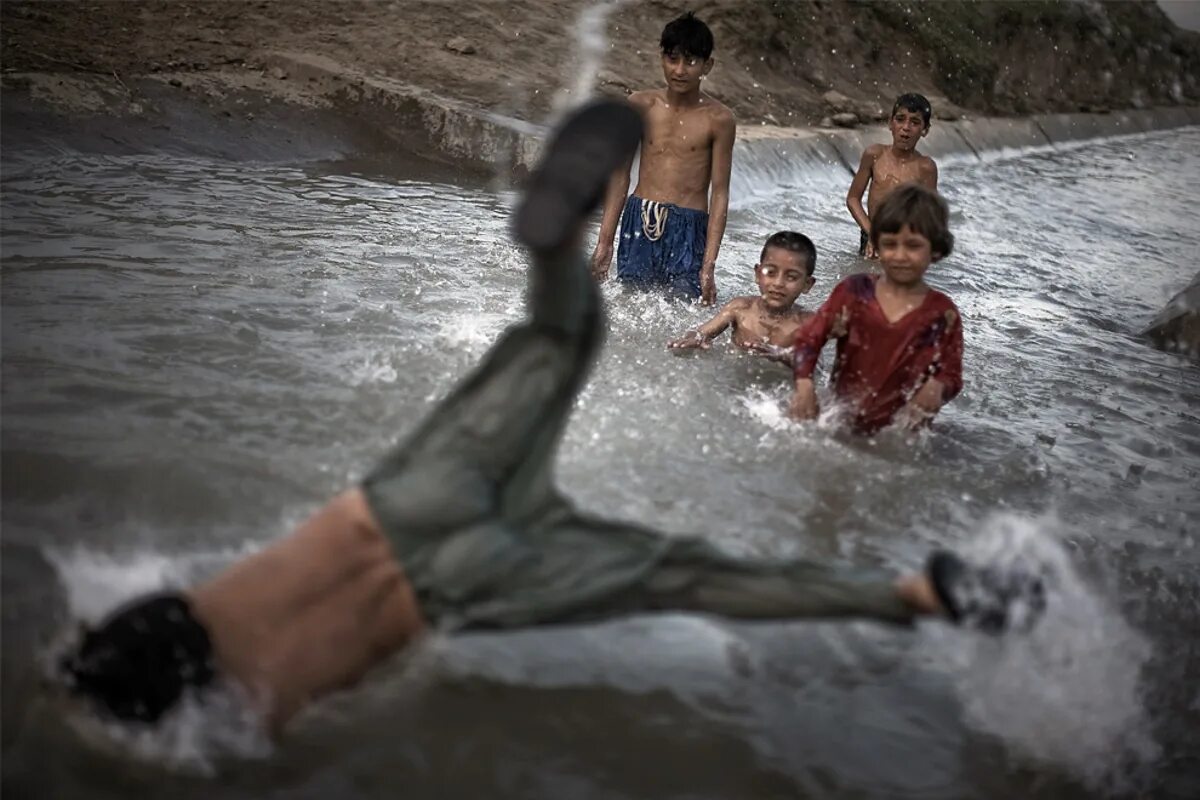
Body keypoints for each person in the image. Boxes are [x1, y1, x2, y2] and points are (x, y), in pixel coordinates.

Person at [57, 101, 1038, 740]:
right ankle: (558, 257)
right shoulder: (220, 608)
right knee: (549, 358)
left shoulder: (249, 698)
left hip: (467, 576)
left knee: (690, 571)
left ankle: (916, 593)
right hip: (403, 505)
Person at [789, 183, 962, 434]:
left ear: (935, 249)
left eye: (913, 246)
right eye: (890, 244)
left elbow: (953, 374)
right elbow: (809, 337)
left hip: (901, 431)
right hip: (840, 419)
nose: (900, 256)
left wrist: (937, 387)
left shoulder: (942, 313)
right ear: (876, 245)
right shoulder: (854, 292)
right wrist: (804, 385)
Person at [589, 12, 735, 303]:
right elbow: (620, 176)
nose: (680, 70)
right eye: (673, 59)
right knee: (630, 303)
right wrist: (604, 242)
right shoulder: (641, 105)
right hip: (638, 219)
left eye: (691, 61)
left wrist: (709, 265)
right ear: (662, 59)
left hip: (689, 226)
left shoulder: (719, 119)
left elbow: (719, 192)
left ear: (708, 65)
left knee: (682, 308)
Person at [668, 231, 816, 363]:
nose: (778, 283)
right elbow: (701, 332)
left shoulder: (807, 323)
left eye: (791, 277)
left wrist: (784, 356)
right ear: (758, 274)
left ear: (807, 284)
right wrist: (693, 339)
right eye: (771, 272)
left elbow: (816, 365)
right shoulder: (740, 308)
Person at [847, 93, 939, 260]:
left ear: (925, 130)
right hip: (870, 232)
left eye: (915, 122)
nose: (906, 127)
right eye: (900, 119)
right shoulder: (874, 155)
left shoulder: (926, 168)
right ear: (890, 123)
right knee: (864, 277)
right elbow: (853, 198)